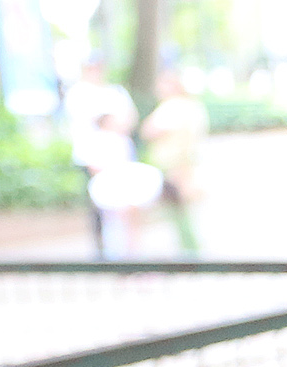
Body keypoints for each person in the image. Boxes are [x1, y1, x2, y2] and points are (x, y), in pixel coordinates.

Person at [65, 57, 138, 258]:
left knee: (125, 205)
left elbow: (130, 118)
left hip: (119, 158)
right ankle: (103, 252)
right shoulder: (78, 93)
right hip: (93, 157)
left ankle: (126, 252)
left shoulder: (116, 92)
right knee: (100, 206)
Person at [139, 69, 209, 256]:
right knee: (182, 209)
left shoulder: (172, 107)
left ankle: (190, 253)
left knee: (179, 210)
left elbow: (150, 131)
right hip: (185, 162)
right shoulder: (192, 106)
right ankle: (190, 251)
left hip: (175, 165)